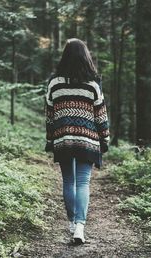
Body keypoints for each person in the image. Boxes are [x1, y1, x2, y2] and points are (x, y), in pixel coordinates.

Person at [44, 38, 110, 244]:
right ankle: (80, 227)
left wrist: (50, 138)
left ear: (65, 56)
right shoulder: (92, 84)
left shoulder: (55, 83)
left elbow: (50, 115)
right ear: (85, 56)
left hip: (63, 138)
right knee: (83, 182)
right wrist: (105, 138)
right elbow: (101, 115)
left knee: (68, 181)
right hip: (87, 139)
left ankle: (72, 222)